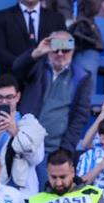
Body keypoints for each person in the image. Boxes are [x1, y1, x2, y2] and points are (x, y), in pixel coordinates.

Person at [11, 31, 93, 172]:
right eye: (55, 48)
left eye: (66, 49)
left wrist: (65, 151)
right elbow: (16, 68)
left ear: (73, 51)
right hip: (24, 146)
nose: (60, 53)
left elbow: (80, 116)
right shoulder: (37, 67)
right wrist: (37, 52)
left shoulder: (82, 77)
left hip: (53, 152)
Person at [0, 74, 47, 196]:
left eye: (9, 97)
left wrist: (16, 133)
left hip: (24, 194)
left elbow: (36, 159)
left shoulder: (30, 123)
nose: (4, 101)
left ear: (18, 97)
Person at [0, 0, 67, 77]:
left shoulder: (57, 18)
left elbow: (66, 45)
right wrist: (23, 63)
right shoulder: (2, 17)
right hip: (13, 80)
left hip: (46, 80)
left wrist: (50, 46)